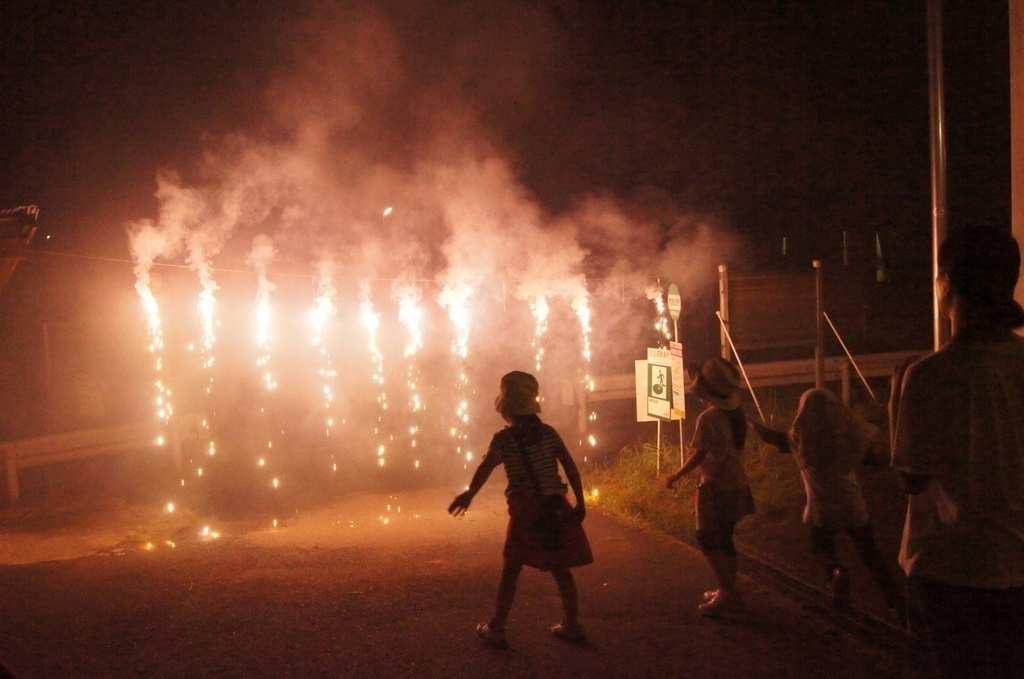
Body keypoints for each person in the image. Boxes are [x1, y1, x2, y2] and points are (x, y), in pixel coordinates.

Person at [890, 226, 1024, 679]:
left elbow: (911, 477)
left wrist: (895, 402)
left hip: (947, 571)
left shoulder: (928, 375)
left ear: (947, 282)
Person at [448, 370, 593, 649]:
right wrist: (580, 502)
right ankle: (573, 625)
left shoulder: (504, 439)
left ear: (506, 409)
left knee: (512, 569)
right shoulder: (549, 433)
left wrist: (469, 494)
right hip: (555, 507)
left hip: (526, 510)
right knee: (561, 568)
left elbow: (486, 466)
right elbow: (570, 467)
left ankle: (498, 627)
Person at [750, 388, 903, 615]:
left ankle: (837, 571)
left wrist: (751, 423)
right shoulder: (845, 437)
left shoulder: (798, 439)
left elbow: (772, 437)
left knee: (821, 546)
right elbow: (873, 458)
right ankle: (895, 601)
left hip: (822, 509)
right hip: (852, 504)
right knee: (870, 553)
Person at [665, 357, 755, 615]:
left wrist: (675, 476)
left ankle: (727, 594)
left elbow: (699, 456)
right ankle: (729, 590)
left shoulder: (709, 418)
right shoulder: (736, 414)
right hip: (736, 483)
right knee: (725, 538)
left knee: (705, 538)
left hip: (715, 487)